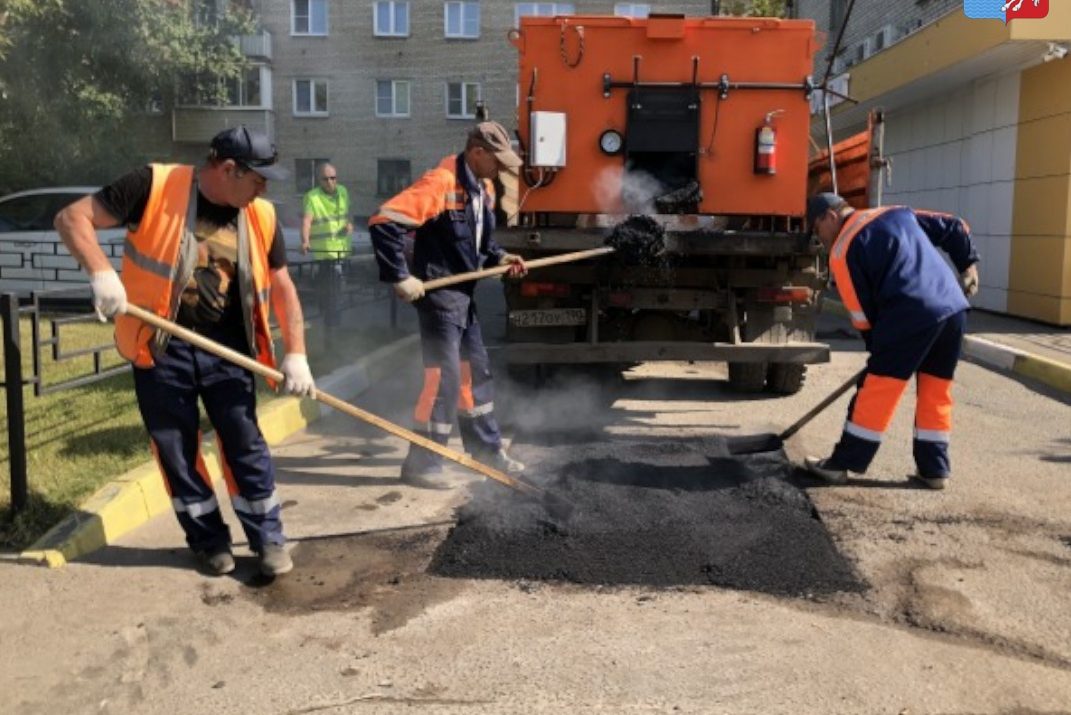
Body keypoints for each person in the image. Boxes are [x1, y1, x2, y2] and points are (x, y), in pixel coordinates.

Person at [55, 126, 315, 576]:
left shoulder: (262, 216)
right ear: (228, 169)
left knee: (244, 442)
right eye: (258, 178)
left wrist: (297, 354)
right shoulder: (152, 186)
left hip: (228, 349)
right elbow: (71, 218)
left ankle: (267, 537)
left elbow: (283, 286)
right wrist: (100, 272)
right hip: (159, 347)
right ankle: (207, 539)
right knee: (175, 449)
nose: (264, 189)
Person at [369, 120, 528, 489]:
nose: (501, 169)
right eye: (497, 161)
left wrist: (501, 258)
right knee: (443, 379)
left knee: (476, 375)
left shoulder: (484, 189)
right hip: (440, 296)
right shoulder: (440, 183)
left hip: (464, 295)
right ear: (477, 153)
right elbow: (383, 221)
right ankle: (421, 465)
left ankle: (487, 452)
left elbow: (481, 247)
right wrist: (399, 276)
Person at [802, 193, 980, 490]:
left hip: (909, 314)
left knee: (877, 389)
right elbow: (955, 226)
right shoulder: (896, 213)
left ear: (830, 217)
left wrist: (878, 354)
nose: (820, 239)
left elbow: (861, 315)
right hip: (953, 309)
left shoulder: (843, 250)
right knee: (936, 389)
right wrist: (967, 265)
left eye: (817, 230)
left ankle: (843, 463)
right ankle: (934, 469)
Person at [300, 162, 353, 261]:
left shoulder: (343, 191)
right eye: (325, 179)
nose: (329, 182)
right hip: (323, 254)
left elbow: (347, 214)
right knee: (326, 276)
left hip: (343, 250)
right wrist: (305, 242)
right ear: (318, 180)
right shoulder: (312, 197)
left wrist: (349, 225)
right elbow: (306, 222)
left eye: (332, 178)